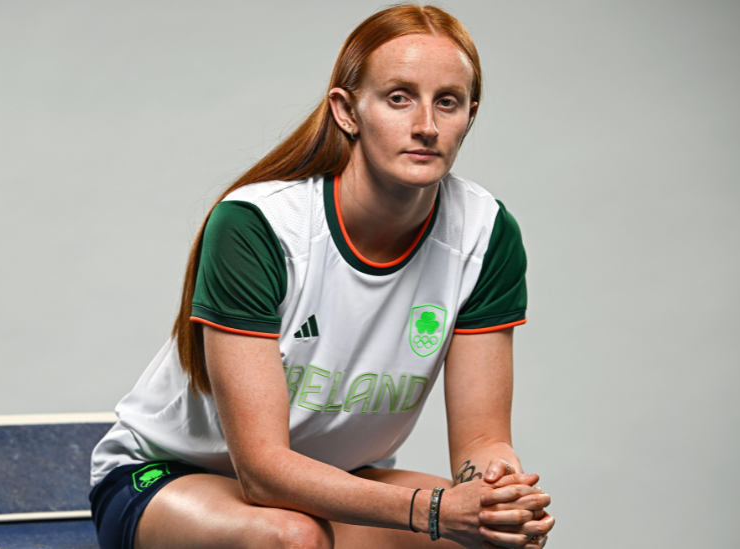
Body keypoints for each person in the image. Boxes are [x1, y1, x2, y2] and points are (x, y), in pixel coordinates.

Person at [88, 5, 555, 549]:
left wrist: (497, 494)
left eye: (446, 102)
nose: (426, 126)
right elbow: (262, 472)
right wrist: (433, 508)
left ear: (469, 115)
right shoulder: (258, 225)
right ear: (348, 110)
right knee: (292, 538)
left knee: (489, 539)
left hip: (337, 479)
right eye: (399, 97)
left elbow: (483, 439)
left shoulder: (485, 233)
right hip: (170, 478)